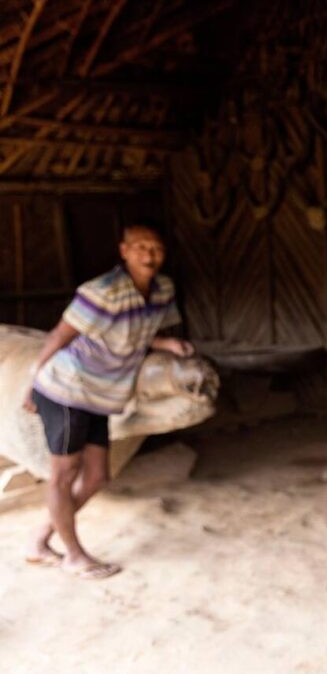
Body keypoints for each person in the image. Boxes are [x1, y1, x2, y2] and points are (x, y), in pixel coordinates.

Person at [22, 224, 194, 580]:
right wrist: (32, 378)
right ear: (124, 251)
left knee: (98, 476)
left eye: (156, 248)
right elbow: (60, 335)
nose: (149, 255)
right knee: (63, 477)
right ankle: (73, 555)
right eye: (140, 247)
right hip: (67, 389)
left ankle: (40, 540)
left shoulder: (163, 289)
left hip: (103, 394)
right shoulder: (101, 291)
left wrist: (167, 346)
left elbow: (139, 332)